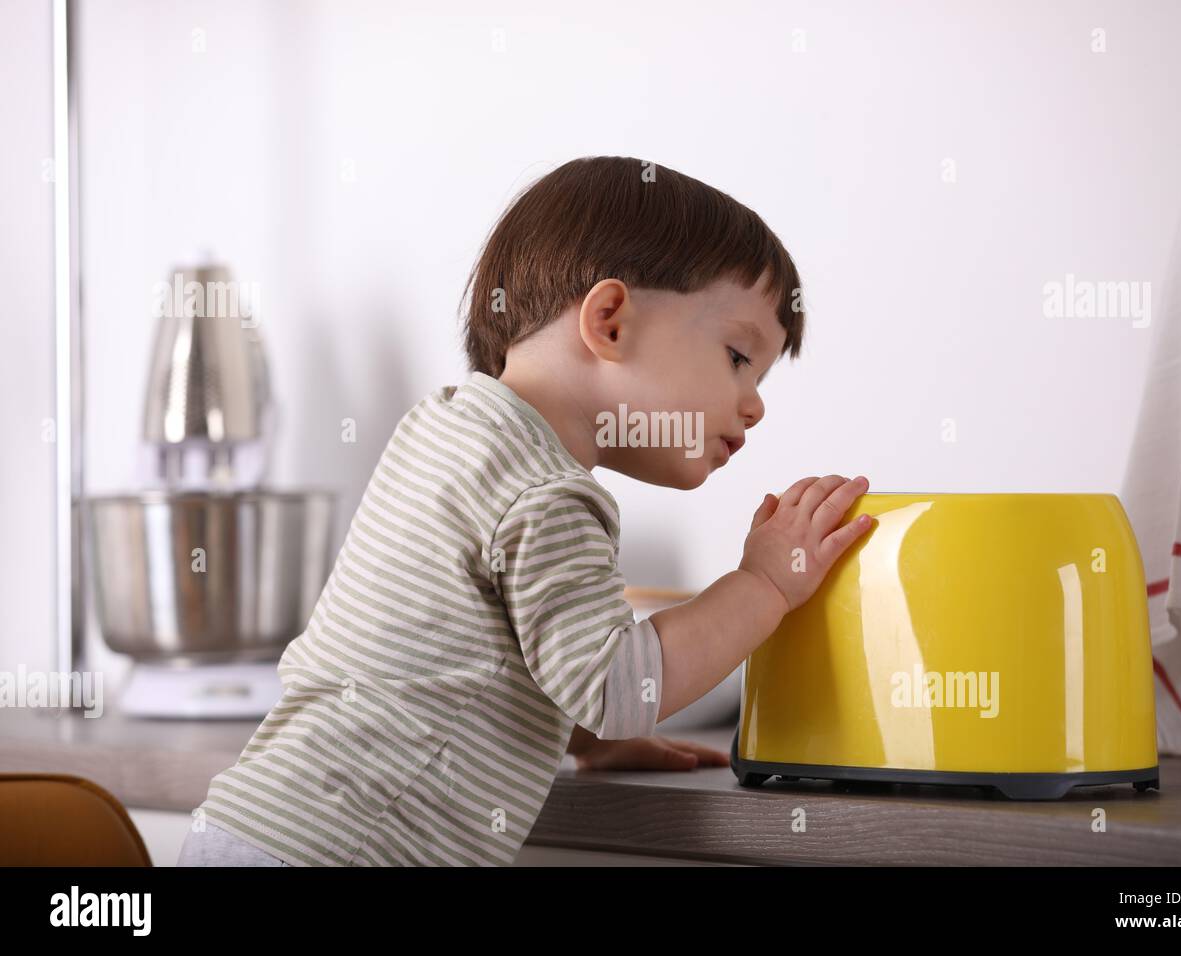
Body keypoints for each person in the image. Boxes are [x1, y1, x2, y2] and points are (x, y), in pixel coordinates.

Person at [177, 155, 873, 866]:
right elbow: (616, 683)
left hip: (258, 828)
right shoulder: (546, 492)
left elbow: (453, 650)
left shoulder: (447, 430)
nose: (754, 402)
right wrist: (763, 584)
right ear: (609, 321)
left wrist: (573, 732)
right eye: (737, 356)